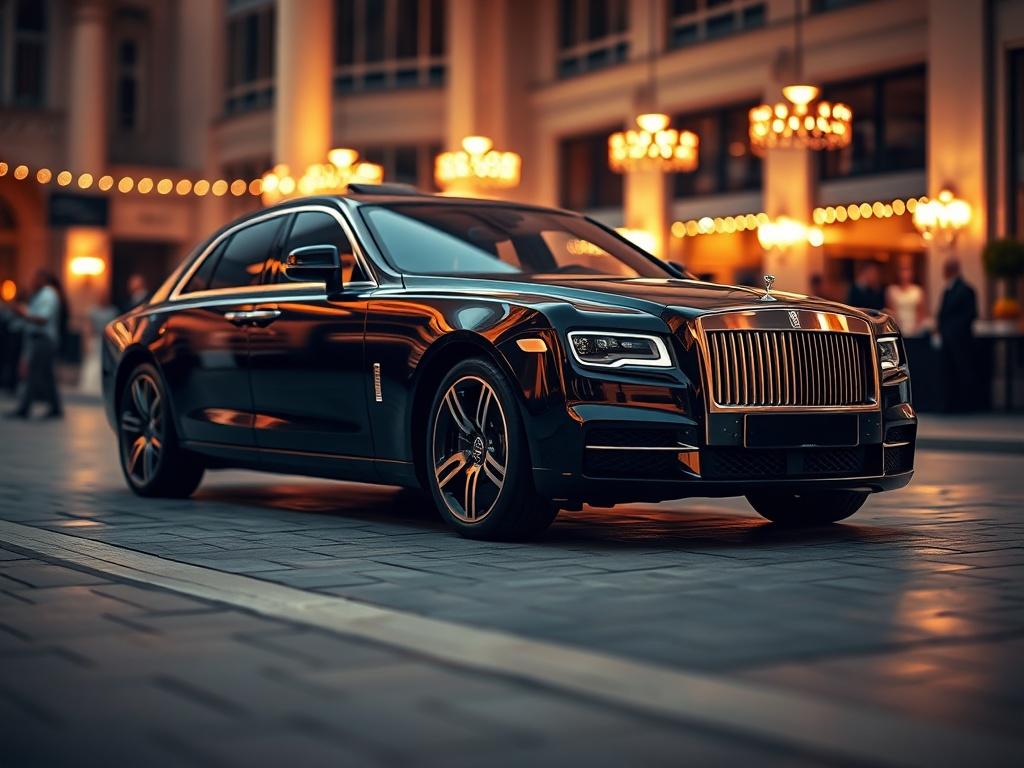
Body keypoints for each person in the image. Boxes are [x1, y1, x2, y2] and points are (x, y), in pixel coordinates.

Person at [5, 269, 63, 419]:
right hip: (41, 339)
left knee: (32, 374)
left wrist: (23, 312)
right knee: (47, 375)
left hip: (42, 339)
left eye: (35, 278)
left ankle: (24, 408)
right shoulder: (41, 295)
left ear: (43, 278)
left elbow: (42, 318)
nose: (32, 281)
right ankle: (56, 408)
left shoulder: (48, 294)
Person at [937, 258, 979, 412]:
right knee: (949, 373)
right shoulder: (948, 290)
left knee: (962, 372)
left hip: (960, 340)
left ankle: (964, 405)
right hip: (948, 340)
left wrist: (950, 331)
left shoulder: (966, 290)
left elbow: (970, 314)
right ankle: (951, 404)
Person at [885, 256, 927, 336]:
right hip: (898, 329)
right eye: (902, 270)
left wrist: (916, 328)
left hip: (915, 330)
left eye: (907, 270)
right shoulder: (892, 290)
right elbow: (891, 312)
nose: (904, 274)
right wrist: (898, 327)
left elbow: (921, 313)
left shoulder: (917, 291)